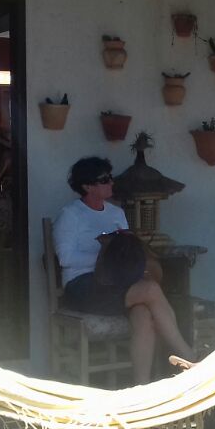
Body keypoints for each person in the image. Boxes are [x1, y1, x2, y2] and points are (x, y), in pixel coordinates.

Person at [53, 156, 194, 384]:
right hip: (83, 286)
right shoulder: (70, 215)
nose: (111, 182)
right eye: (104, 180)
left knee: (143, 314)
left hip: (116, 284)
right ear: (87, 186)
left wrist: (128, 261)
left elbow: (128, 252)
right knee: (150, 289)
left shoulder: (116, 214)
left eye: (110, 178)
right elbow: (65, 259)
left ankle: (141, 387)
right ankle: (189, 357)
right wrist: (104, 257)